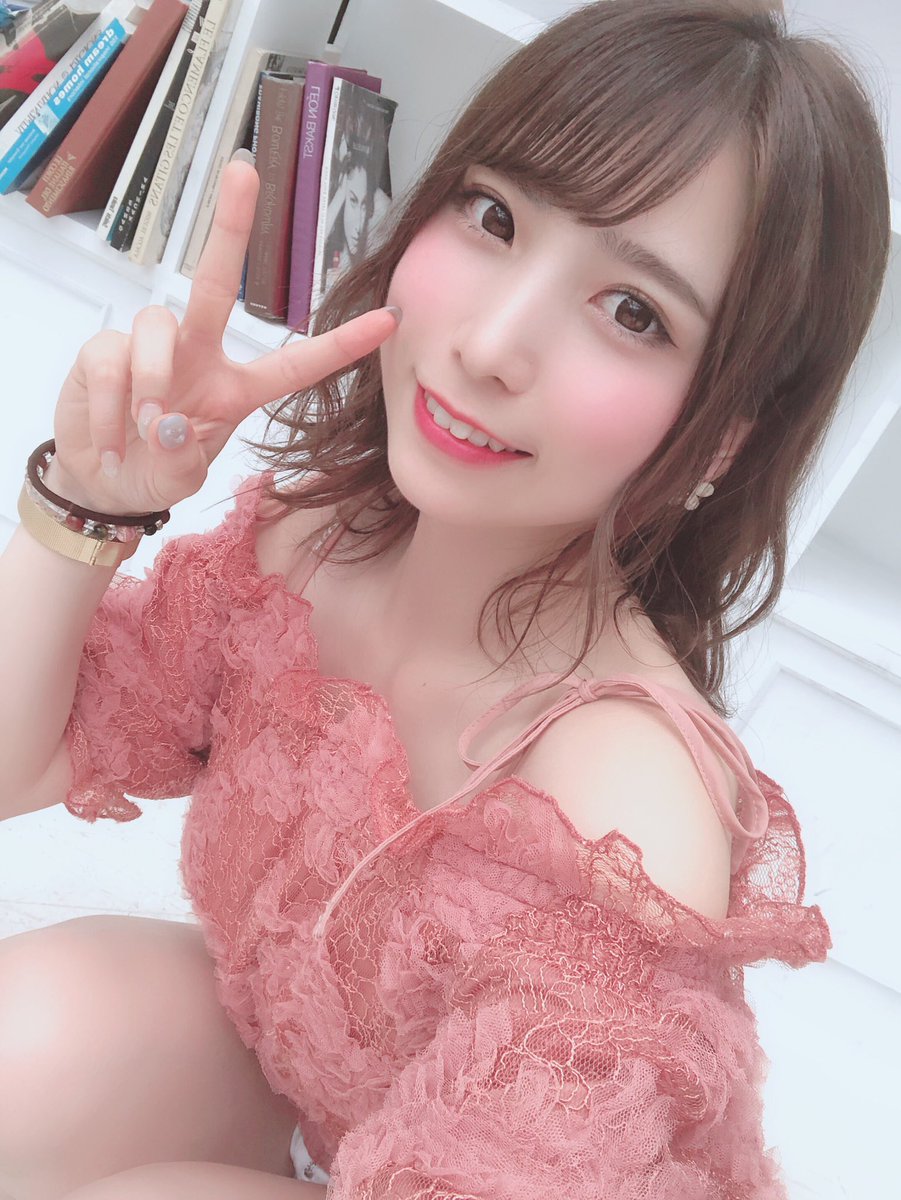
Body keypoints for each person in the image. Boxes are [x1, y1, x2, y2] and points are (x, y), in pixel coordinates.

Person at [0, 0, 890, 1196]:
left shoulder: (618, 815)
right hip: (321, 1109)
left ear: (725, 436)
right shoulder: (312, 551)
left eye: (632, 312)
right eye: (495, 216)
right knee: (29, 1041)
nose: (489, 345)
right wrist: (89, 506)